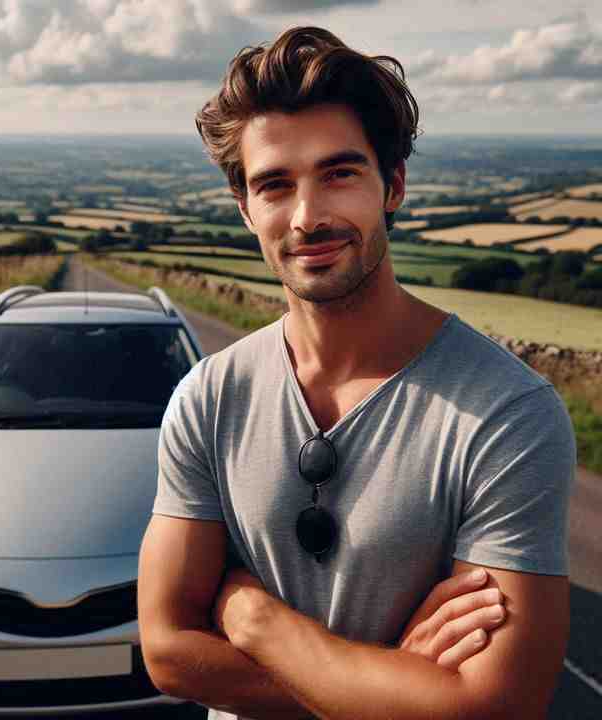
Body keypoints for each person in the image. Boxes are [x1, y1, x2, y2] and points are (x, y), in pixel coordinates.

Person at [138, 26, 575, 720]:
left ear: (392, 184)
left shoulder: (507, 413)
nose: (308, 217)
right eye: (275, 185)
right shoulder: (207, 398)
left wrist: (259, 622)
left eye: (340, 173)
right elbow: (167, 651)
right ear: (246, 207)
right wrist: (394, 685)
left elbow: (497, 706)